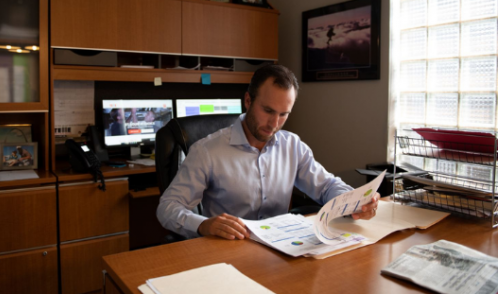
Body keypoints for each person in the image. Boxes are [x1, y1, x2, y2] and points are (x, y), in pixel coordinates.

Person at [157, 65, 379, 240]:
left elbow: (327, 186)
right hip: (229, 250)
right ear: (248, 101)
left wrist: (355, 201)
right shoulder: (207, 151)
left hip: (281, 249)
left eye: (284, 114)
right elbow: (168, 207)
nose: (274, 123)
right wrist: (204, 225)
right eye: (268, 111)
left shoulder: (292, 145)